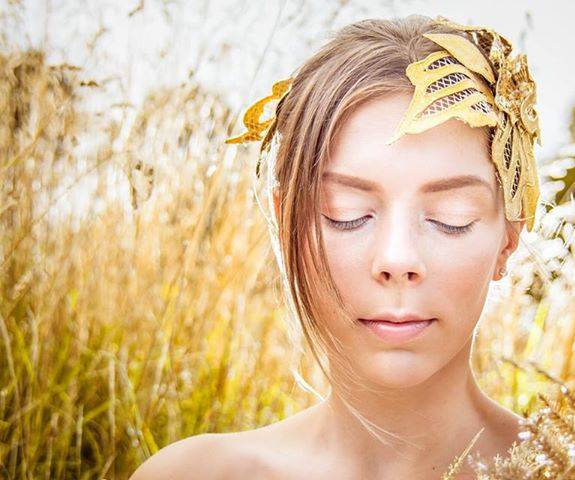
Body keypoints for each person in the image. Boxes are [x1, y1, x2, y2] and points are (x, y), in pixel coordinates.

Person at [130, 13, 541, 480]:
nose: (397, 259)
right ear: (287, 224)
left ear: (508, 238)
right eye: (344, 212)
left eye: (452, 218)